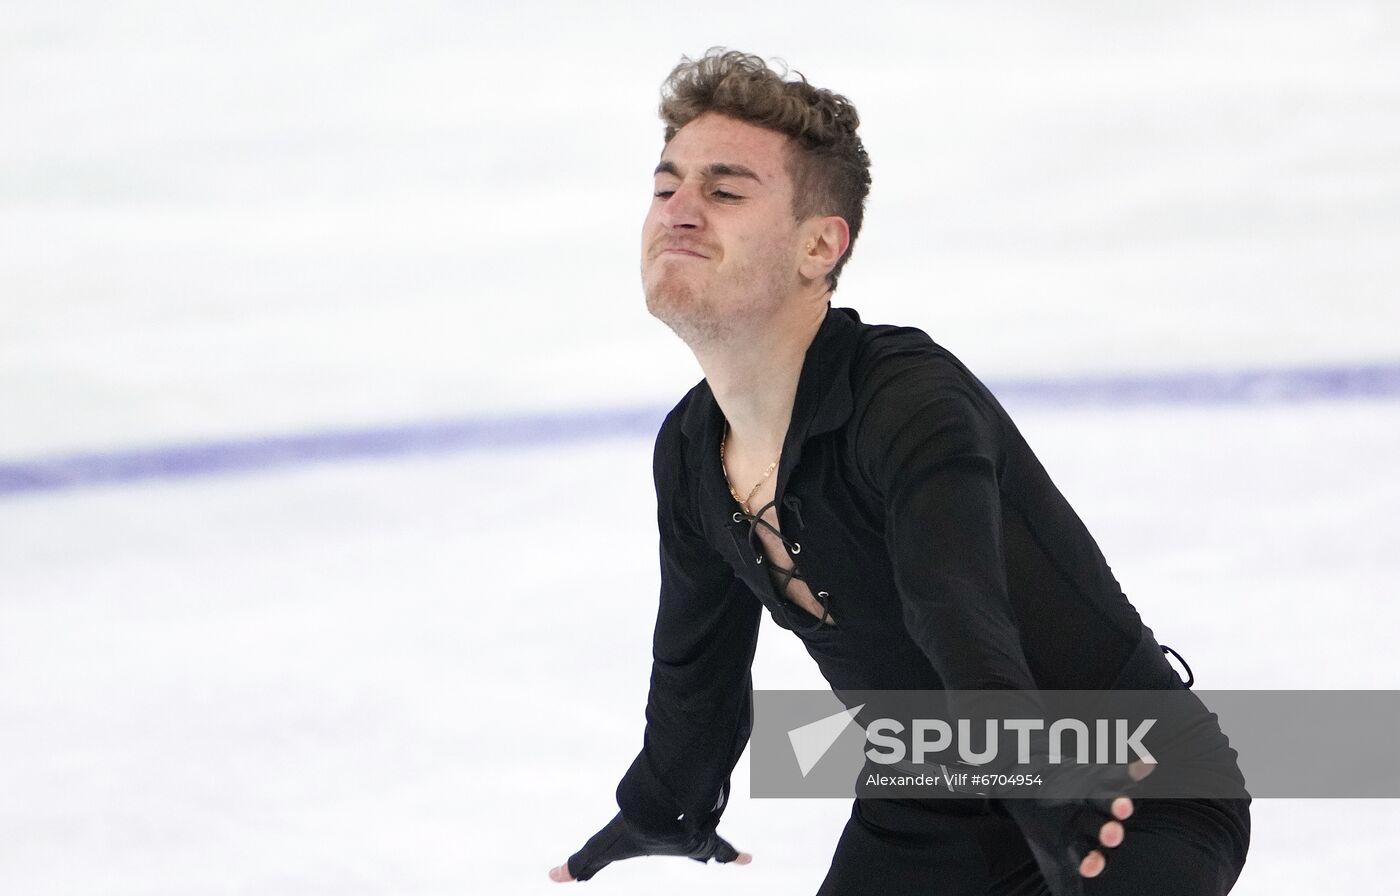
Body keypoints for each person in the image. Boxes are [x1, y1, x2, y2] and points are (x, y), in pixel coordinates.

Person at [548, 48, 1250, 895]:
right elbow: (696, 668)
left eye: (725, 192)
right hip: (925, 807)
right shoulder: (693, 450)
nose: (681, 213)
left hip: (1121, 786)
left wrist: (1038, 784)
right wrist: (667, 806)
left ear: (820, 246)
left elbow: (956, 612)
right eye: (667, 189)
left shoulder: (909, 398)